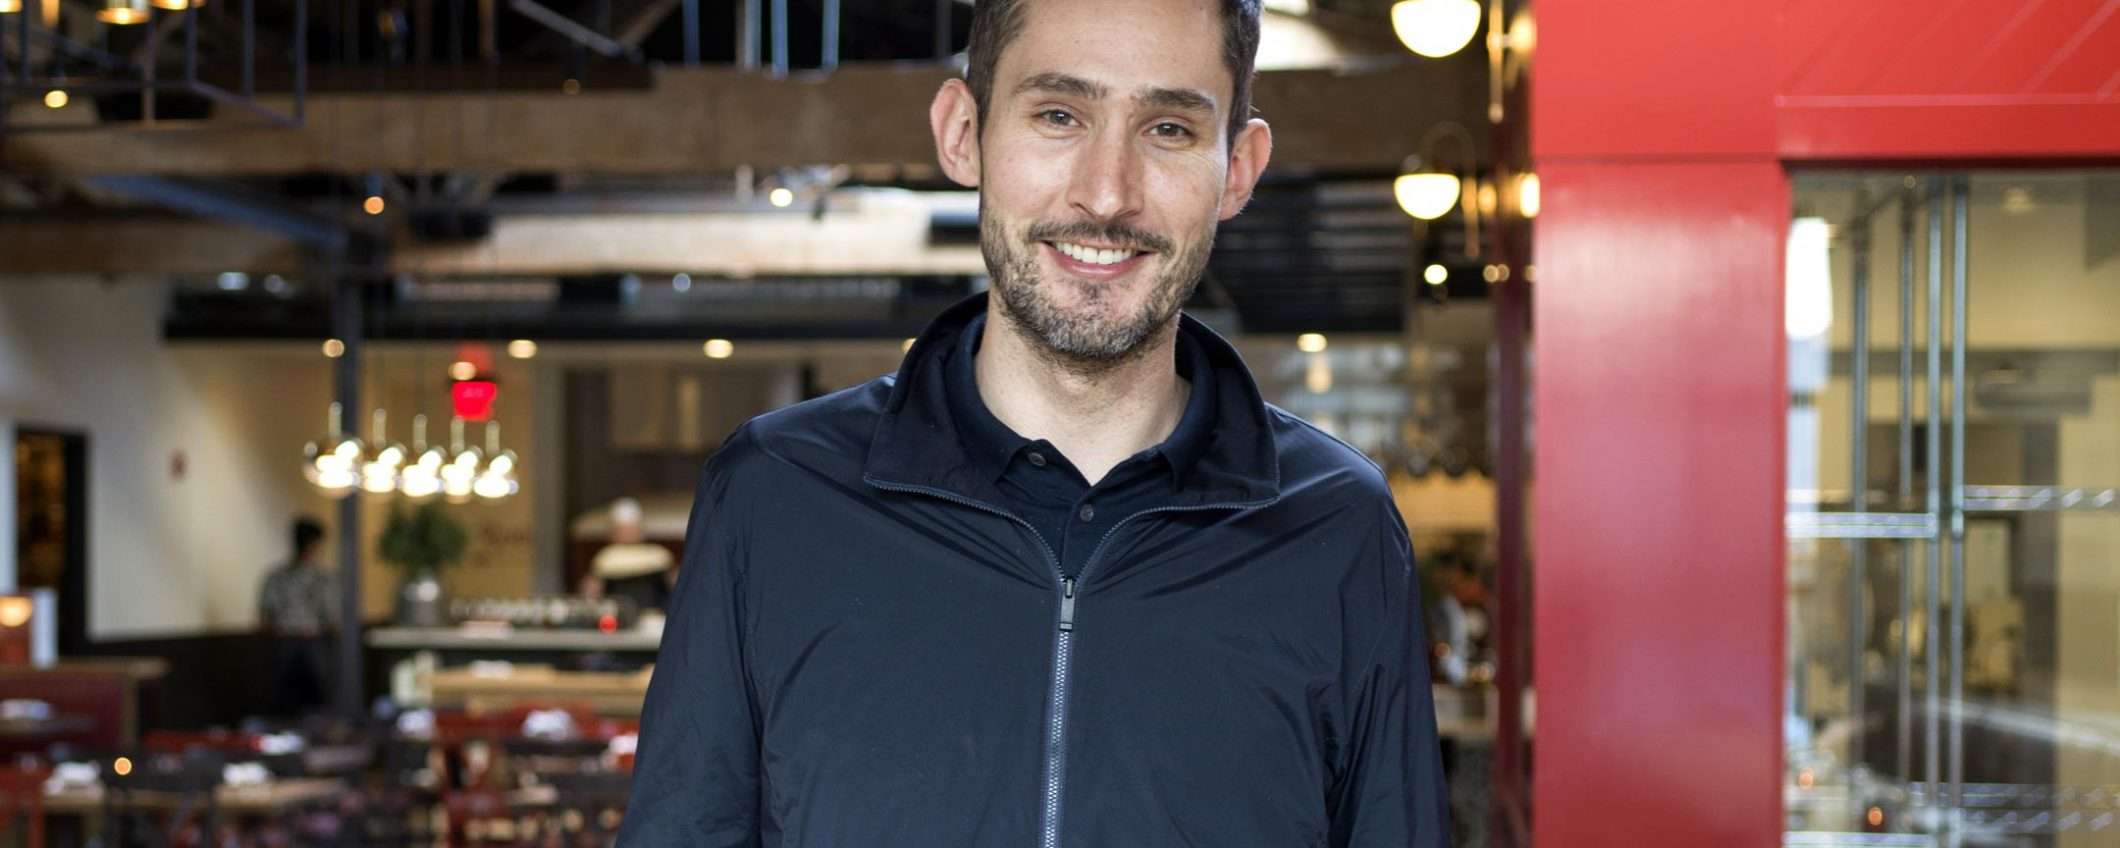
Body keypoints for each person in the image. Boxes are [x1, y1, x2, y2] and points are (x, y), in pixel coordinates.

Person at [620, 0, 1448, 843]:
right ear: (962, 133)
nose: (1107, 193)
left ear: (1237, 169)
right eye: (1058, 116)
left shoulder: (1337, 528)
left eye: (1168, 129)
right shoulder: (775, 498)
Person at [258, 517, 338, 717]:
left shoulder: (277, 577)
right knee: (316, 698)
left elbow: (265, 616)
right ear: (313, 543)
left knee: (287, 700)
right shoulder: (321, 578)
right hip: (308, 642)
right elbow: (331, 619)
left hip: (286, 641)